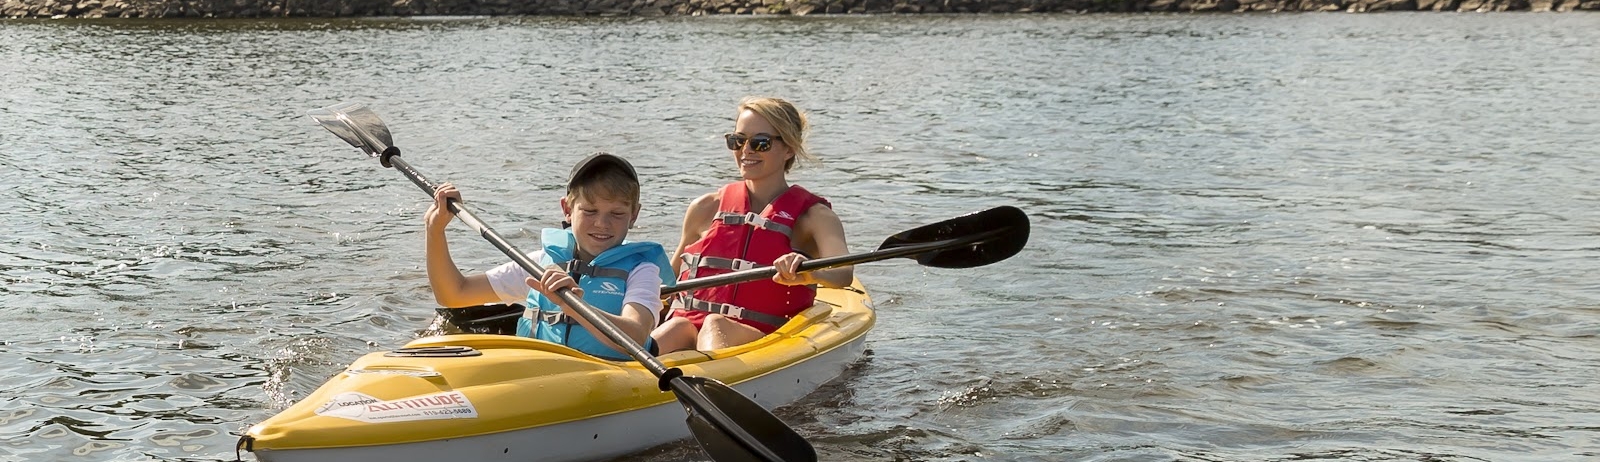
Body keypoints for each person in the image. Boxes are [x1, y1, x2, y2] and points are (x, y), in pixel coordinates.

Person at [424, 152, 674, 361]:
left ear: (634, 216)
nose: (602, 223)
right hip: (540, 374)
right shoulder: (540, 263)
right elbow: (454, 294)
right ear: (567, 209)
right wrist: (435, 231)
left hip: (610, 376)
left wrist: (573, 307)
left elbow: (636, 335)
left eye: (617, 214)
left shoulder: (642, 270)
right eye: (589, 210)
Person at [651, 97, 852, 353]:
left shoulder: (814, 217)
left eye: (760, 143)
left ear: (789, 148)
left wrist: (808, 273)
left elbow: (843, 274)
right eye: (737, 140)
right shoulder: (705, 208)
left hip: (764, 340)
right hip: (690, 326)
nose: (746, 150)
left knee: (715, 324)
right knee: (676, 326)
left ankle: (710, 382)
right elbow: (670, 281)